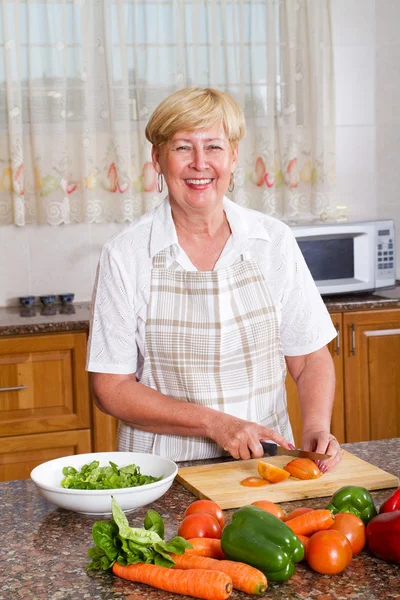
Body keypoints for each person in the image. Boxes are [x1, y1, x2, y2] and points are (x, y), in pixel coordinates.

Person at [86, 87, 341, 472]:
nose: (200, 163)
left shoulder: (271, 241)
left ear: (234, 156)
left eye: (214, 147)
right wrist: (215, 423)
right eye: (183, 147)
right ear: (157, 159)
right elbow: (111, 389)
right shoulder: (126, 254)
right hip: (160, 471)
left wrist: (317, 427)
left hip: (264, 464)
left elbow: (308, 357)